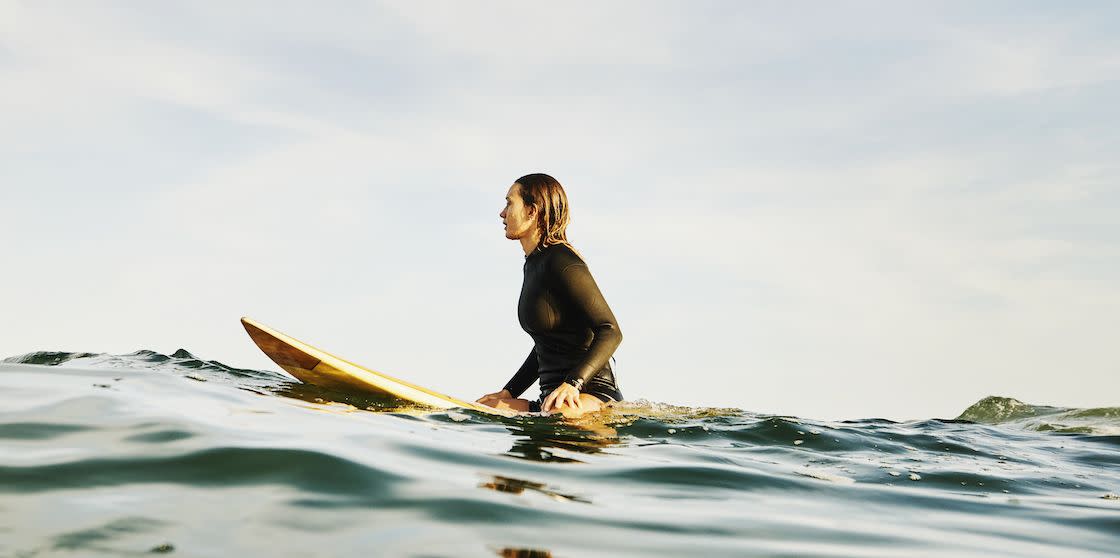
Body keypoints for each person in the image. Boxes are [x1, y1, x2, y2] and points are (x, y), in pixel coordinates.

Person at [476, 173, 624, 417]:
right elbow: (545, 345)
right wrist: (509, 392)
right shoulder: (533, 264)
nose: (502, 213)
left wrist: (573, 383)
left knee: (559, 411)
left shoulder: (562, 260)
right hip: (549, 401)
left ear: (532, 211)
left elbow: (611, 330)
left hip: (590, 395)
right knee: (487, 409)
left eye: (509, 203)